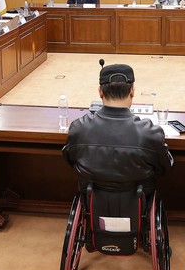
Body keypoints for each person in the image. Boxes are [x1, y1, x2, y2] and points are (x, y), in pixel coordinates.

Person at [63, 63, 173, 193]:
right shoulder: (150, 132)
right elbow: (164, 168)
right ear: (132, 91)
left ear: (100, 92)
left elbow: (70, 160)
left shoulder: (79, 128)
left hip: (91, 201)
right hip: (139, 202)